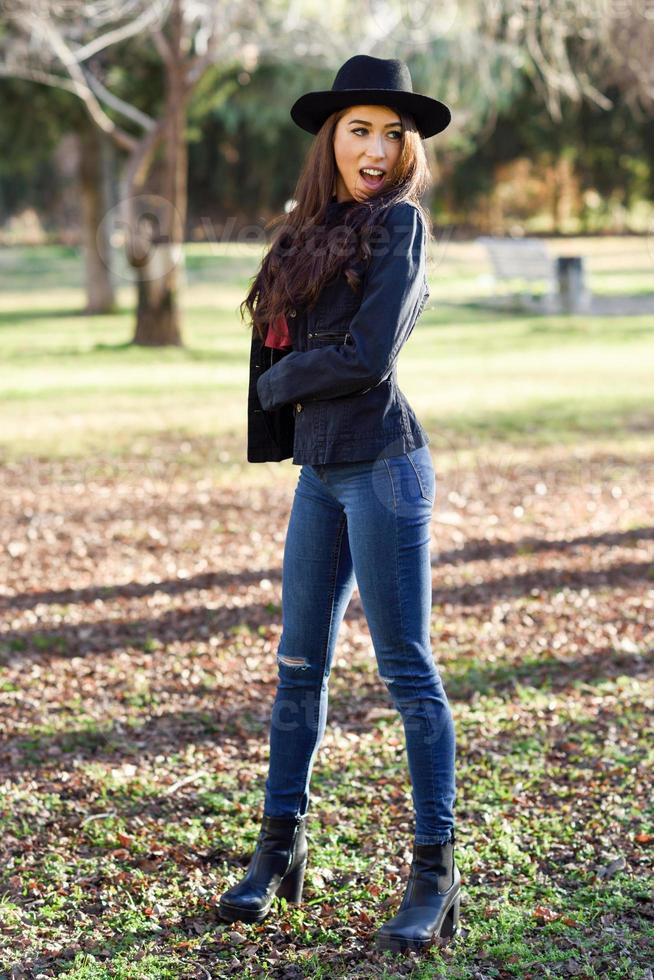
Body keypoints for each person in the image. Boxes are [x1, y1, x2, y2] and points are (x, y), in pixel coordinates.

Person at [219, 54, 460, 954]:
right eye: (360, 128)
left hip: (385, 469)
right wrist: (275, 395)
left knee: (406, 672)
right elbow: (272, 340)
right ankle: (278, 853)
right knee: (297, 667)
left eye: (393, 133)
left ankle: (435, 874)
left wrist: (283, 380)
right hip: (317, 474)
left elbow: (366, 354)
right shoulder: (303, 233)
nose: (378, 146)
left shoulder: (400, 228)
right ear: (331, 138)